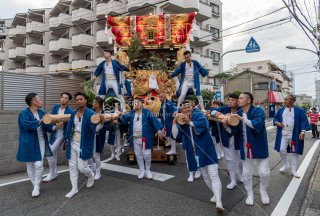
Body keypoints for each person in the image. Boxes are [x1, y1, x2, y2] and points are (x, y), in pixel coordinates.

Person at [172, 100, 224, 213]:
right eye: (184, 107)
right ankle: (215, 194)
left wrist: (190, 122)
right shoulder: (181, 120)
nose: (187, 108)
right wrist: (175, 121)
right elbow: (175, 135)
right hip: (194, 153)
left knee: (213, 174)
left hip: (207, 150)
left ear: (192, 107)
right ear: (181, 110)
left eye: (189, 106)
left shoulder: (199, 115)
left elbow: (204, 125)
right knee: (205, 176)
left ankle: (219, 202)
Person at [17, 93, 62, 197]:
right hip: (27, 142)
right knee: (30, 166)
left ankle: (36, 186)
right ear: (33, 101)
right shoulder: (23, 113)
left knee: (38, 165)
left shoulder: (42, 112)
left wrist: (56, 127)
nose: (41, 101)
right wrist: (40, 121)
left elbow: (48, 126)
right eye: (39, 99)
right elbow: (26, 125)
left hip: (41, 141)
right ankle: (35, 185)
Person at [233, 92, 270, 206]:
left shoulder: (258, 111)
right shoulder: (238, 112)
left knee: (264, 173)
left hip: (259, 145)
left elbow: (257, 125)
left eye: (241, 98)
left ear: (249, 100)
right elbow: (234, 131)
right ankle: (250, 194)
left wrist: (242, 119)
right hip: (245, 147)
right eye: (238, 98)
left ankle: (263, 190)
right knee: (246, 173)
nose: (238, 100)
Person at [64, 92, 103, 198]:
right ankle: (74, 188)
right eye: (76, 100)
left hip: (84, 143)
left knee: (82, 167)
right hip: (72, 142)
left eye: (81, 99)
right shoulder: (73, 113)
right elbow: (69, 128)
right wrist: (66, 140)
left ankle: (90, 175)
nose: (78, 101)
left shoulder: (90, 113)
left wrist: (99, 122)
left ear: (85, 100)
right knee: (72, 166)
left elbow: (94, 129)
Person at [119, 97, 163, 179]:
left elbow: (154, 121)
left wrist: (159, 131)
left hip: (145, 138)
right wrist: (118, 116)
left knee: (147, 155)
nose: (136, 104)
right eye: (135, 103)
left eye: (138, 102)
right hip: (135, 138)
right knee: (138, 155)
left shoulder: (147, 112)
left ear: (142, 103)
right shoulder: (131, 113)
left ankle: (148, 170)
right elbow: (123, 119)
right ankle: (142, 171)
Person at [210, 93, 244, 189]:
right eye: (229, 100)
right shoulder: (224, 109)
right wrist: (217, 114)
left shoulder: (241, 111)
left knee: (241, 160)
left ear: (238, 101)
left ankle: (240, 175)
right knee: (230, 161)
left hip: (239, 139)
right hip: (226, 138)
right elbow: (212, 110)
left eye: (232, 100)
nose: (229, 101)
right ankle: (233, 180)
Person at [273, 94, 310, 178]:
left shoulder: (299, 111)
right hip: (283, 133)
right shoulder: (281, 110)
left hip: (295, 134)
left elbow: (304, 121)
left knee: (294, 152)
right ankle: (286, 165)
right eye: (285, 99)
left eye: (286, 99)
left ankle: (294, 170)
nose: (284, 101)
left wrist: (303, 131)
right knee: (281, 149)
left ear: (292, 101)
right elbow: (275, 119)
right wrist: (277, 123)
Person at [42, 92, 73, 183]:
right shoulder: (56, 107)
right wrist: (55, 124)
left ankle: (52, 173)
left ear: (68, 100)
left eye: (66, 98)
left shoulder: (70, 111)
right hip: (54, 132)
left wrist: (67, 139)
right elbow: (51, 119)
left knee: (50, 153)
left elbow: (70, 126)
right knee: (53, 153)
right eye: (62, 97)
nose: (63, 99)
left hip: (62, 134)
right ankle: (54, 172)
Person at [91, 97, 109, 180]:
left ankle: (98, 172)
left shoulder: (104, 113)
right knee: (89, 155)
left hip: (99, 136)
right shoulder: (90, 112)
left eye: (94, 102)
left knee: (96, 155)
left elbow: (105, 126)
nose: (93, 103)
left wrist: (100, 125)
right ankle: (94, 169)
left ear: (98, 105)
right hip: (90, 135)